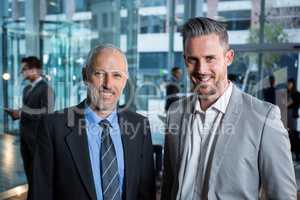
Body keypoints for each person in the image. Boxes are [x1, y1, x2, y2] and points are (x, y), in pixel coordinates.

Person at [161, 17, 296, 199]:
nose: (201, 69)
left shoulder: (264, 118)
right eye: (193, 60)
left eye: (210, 58)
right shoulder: (175, 113)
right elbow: (169, 185)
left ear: (229, 57)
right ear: (185, 60)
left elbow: (282, 196)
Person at [33, 44, 155, 200]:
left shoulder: (140, 126)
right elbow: (40, 193)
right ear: (85, 75)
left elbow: (146, 192)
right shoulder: (53, 127)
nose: (108, 84)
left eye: (116, 75)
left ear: (125, 80)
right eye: (99, 73)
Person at [5, 56, 54, 198]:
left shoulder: (46, 89)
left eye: (24, 69)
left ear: (34, 70)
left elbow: (47, 112)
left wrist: (21, 113)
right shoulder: (27, 89)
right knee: (30, 174)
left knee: (38, 176)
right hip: (25, 137)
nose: (22, 72)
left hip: (38, 139)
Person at [287, 78, 300, 161]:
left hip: (294, 116)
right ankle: (293, 155)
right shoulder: (288, 93)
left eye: (289, 84)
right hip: (288, 116)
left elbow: (289, 103)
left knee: (295, 136)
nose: (288, 85)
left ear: (293, 84)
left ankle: (297, 156)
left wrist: (290, 102)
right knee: (290, 135)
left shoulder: (296, 94)